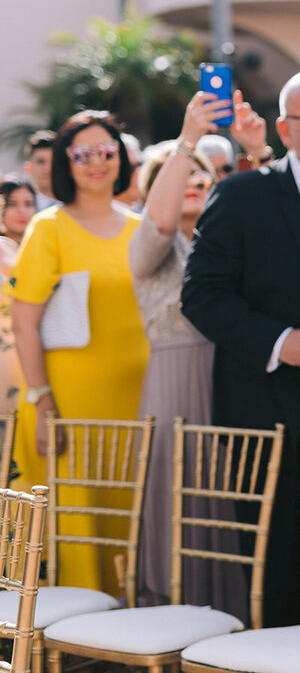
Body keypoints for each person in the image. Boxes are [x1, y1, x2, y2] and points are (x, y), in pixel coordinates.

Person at [182, 69, 300, 627]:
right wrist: (280, 341)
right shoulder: (242, 194)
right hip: (271, 409)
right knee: (276, 565)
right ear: (286, 131)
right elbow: (201, 295)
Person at [6, 110, 149, 594]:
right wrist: (42, 400)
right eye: (82, 154)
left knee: (132, 512)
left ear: (122, 158)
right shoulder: (49, 227)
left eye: (107, 152)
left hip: (137, 401)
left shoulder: (140, 227)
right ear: (66, 162)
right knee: (76, 518)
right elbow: (24, 324)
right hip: (68, 403)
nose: (96, 163)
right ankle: (73, 647)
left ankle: (131, 633)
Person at [129, 93, 248, 617]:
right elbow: (157, 221)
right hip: (174, 382)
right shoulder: (151, 246)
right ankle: (171, 608)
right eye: (185, 175)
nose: (197, 180)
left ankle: (228, 610)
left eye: (204, 175)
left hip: (228, 377)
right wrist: (189, 139)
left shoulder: (223, 244)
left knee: (226, 495)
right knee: (175, 493)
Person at [0, 178, 37, 420]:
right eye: (12, 204)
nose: (22, 211)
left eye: (28, 203)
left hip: (26, 358)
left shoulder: (37, 248)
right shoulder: (4, 248)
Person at [23, 130, 60, 211]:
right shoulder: (22, 209)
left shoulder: (78, 205)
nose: (48, 168)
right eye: (40, 161)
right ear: (28, 168)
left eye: (53, 162)